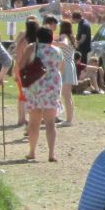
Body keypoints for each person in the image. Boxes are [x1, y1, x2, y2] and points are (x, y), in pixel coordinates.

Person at [20, 27, 63, 162]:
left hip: (35, 88)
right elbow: (61, 68)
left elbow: (21, 65)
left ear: (37, 38)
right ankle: (51, 153)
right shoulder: (57, 51)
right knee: (50, 123)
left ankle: (32, 152)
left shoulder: (33, 48)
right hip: (52, 88)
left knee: (34, 122)